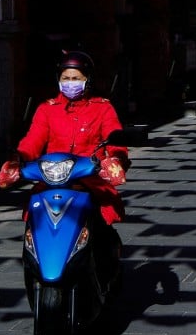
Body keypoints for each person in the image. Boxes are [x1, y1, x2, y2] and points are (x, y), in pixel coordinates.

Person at [12, 50, 130, 226]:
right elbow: (33, 140)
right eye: (65, 78)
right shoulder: (46, 109)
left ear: (87, 80)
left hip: (90, 179)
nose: (70, 83)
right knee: (34, 218)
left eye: (76, 79)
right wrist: (17, 158)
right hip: (52, 179)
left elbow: (115, 138)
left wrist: (116, 160)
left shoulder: (103, 108)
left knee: (102, 219)